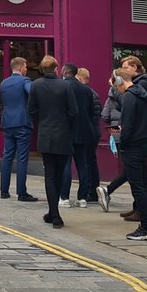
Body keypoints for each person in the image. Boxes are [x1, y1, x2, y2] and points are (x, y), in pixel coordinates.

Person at [29, 55, 78, 229]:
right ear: (56, 69)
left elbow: (32, 110)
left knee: (50, 175)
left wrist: (42, 123)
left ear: (42, 69)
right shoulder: (66, 85)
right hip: (63, 135)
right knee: (58, 174)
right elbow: (74, 111)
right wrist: (66, 126)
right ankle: (54, 213)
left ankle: (54, 214)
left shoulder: (35, 85)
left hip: (46, 135)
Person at [117, 65, 147, 241]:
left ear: (120, 81)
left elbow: (127, 124)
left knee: (138, 188)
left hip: (132, 146)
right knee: (142, 186)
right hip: (144, 143)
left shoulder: (128, 97)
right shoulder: (143, 95)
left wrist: (121, 142)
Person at [59, 63, 98, 207]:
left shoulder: (62, 87)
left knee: (66, 164)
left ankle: (64, 197)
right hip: (83, 131)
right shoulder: (86, 90)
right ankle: (82, 198)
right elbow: (89, 112)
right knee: (82, 164)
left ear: (65, 72)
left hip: (67, 130)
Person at [0, 56, 37, 202]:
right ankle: (21, 193)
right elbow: (32, 93)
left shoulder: (4, 83)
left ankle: (4, 190)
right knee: (22, 158)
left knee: (7, 156)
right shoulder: (25, 81)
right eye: (26, 67)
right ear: (21, 68)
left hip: (7, 122)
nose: (26, 69)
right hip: (22, 122)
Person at [97, 73, 129, 215]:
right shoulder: (127, 95)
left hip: (116, 132)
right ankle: (108, 190)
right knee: (132, 170)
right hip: (127, 130)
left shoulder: (110, 97)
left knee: (129, 168)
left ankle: (139, 206)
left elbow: (104, 116)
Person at [76, 68, 102, 203]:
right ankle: (94, 191)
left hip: (87, 132)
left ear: (80, 79)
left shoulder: (85, 94)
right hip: (95, 130)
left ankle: (89, 192)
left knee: (86, 162)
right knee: (91, 161)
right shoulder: (94, 93)